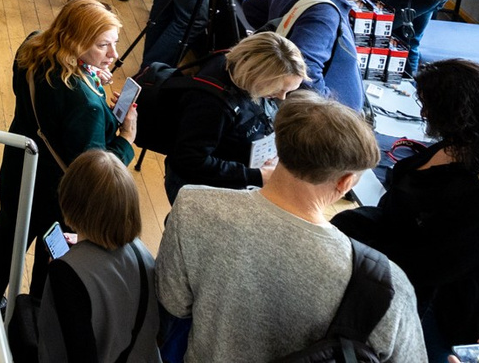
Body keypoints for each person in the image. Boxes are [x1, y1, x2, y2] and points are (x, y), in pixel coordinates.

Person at [156, 94, 425, 363]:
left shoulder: (192, 205)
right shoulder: (389, 286)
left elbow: (174, 302)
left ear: (280, 146)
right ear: (345, 182)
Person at [332, 60, 479, 358]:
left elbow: (424, 268)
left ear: (457, 114)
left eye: (428, 106)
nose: (423, 113)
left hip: (437, 296)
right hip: (406, 243)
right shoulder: (472, 143)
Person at [0, 0, 135, 294]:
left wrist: (89, 74)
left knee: (4, 241)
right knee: (52, 261)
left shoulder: (32, 46)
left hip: (19, 169)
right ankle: (34, 312)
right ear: (76, 42)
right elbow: (96, 174)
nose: (114, 55)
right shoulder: (87, 105)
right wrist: (126, 138)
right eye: (103, 45)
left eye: (114, 44)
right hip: (58, 197)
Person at [26, 150, 161, 363]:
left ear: (70, 201)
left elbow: (73, 349)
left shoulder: (66, 273)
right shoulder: (142, 252)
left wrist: (66, 264)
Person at [163, 31, 307, 201]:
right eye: (277, 89)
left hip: (231, 171)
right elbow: (190, 160)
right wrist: (257, 176)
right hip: (197, 188)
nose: (282, 97)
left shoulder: (236, 67)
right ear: (256, 75)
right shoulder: (212, 105)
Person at [241, 0, 377, 113]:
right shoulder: (323, 14)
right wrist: (327, 107)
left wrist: (278, 35)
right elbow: (305, 71)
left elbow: (251, 6)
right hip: (325, 118)